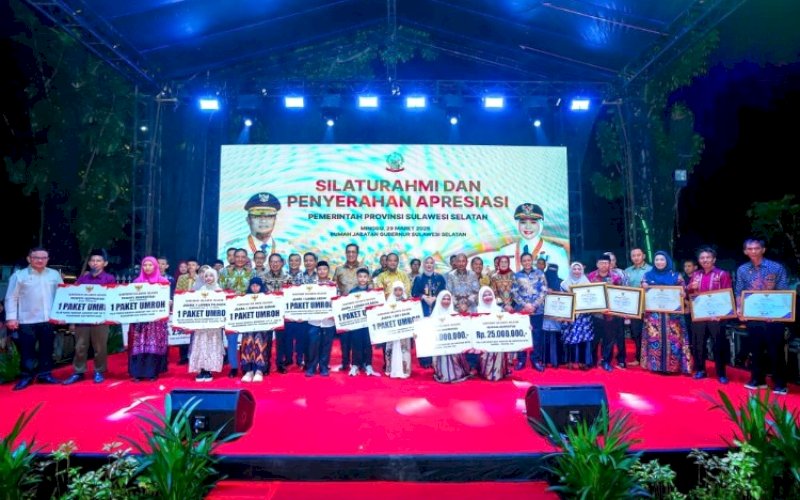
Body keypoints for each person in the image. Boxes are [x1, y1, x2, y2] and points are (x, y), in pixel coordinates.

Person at [735, 238, 790, 394]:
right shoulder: (742, 270)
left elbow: (783, 291)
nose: (753, 251)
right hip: (753, 315)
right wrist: (740, 309)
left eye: (756, 248)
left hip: (774, 316)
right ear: (745, 251)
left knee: (775, 349)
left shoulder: (776, 267)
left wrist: (777, 313)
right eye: (749, 249)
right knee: (755, 348)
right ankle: (757, 379)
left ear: (763, 250)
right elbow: (739, 291)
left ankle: (780, 383)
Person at [5, 247, 64, 390]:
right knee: (27, 350)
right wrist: (11, 318)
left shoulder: (54, 274)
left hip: (48, 319)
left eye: (43, 258)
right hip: (26, 319)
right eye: (36, 257)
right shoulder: (19, 276)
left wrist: (61, 315)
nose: (40, 260)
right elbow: (11, 297)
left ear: (48, 260)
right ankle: (26, 376)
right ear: (29, 259)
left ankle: (45, 375)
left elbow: (62, 295)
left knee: (46, 349)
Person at [63, 249, 116, 385]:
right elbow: (74, 299)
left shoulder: (109, 279)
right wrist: (72, 321)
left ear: (105, 263)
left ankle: (99, 371)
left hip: (101, 319)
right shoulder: (82, 279)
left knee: (100, 347)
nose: (95, 263)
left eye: (98, 261)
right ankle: (78, 372)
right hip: (83, 320)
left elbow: (114, 298)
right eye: (92, 261)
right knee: (80, 346)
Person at [686, 246, 733, 384]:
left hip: (716, 316)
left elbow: (727, 295)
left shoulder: (722, 274)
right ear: (699, 260)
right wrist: (689, 288)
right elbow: (689, 295)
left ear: (714, 259)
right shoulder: (696, 275)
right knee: (698, 344)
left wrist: (722, 314)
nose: (705, 260)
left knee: (718, 344)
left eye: (708, 257)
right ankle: (701, 369)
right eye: (702, 258)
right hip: (699, 315)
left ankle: (721, 373)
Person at [640, 251, 692, 375]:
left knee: (674, 340)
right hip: (654, 316)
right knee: (654, 338)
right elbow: (642, 293)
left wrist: (683, 294)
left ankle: (673, 367)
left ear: (667, 261)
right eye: (657, 260)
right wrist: (643, 287)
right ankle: (655, 366)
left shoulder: (676, 276)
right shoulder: (647, 276)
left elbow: (683, 291)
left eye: (662, 259)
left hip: (673, 317)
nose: (659, 262)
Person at [128, 256, 171, 381]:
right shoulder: (136, 282)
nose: (147, 267)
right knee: (139, 346)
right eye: (145, 265)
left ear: (155, 266)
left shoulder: (162, 281)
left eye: (150, 265)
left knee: (153, 345)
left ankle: (152, 373)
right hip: (139, 321)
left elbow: (166, 299)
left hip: (156, 322)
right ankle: (137, 373)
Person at [498, 203, 569, 274]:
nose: (528, 227)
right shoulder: (505, 251)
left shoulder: (556, 252)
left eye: (533, 222)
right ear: (517, 224)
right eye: (523, 222)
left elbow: (563, 282)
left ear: (541, 224)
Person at [219, 248, 255, 377]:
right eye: (237, 256)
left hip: (247, 310)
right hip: (230, 311)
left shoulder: (252, 272)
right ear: (233, 258)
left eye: (242, 257)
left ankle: (246, 365)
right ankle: (233, 367)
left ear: (246, 259)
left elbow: (256, 290)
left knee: (248, 339)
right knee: (232, 339)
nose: (240, 259)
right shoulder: (224, 272)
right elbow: (220, 290)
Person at [588, 254, 625, 371]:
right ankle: (592, 360)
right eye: (601, 263)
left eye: (606, 263)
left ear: (610, 264)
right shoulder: (590, 276)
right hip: (595, 314)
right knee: (594, 339)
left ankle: (606, 361)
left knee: (608, 340)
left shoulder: (616, 277)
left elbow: (621, 294)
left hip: (610, 315)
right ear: (597, 264)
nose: (603, 265)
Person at [511, 252, 548, 371]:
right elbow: (514, 293)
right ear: (521, 262)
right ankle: (521, 360)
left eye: (529, 260)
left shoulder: (540, 274)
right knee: (522, 334)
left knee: (536, 335)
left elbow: (544, 290)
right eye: (524, 261)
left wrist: (534, 305)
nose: (527, 262)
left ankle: (535, 360)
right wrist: (525, 305)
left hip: (537, 310)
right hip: (522, 310)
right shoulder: (516, 276)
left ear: (532, 261)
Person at [334, 244, 366, 373]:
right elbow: (334, 287)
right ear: (345, 253)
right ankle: (345, 362)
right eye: (348, 252)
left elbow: (369, 288)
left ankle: (361, 362)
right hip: (344, 310)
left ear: (357, 253)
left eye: (353, 252)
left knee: (360, 338)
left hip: (360, 310)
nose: (351, 254)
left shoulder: (364, 268)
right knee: (345, 339)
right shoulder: (339, 269)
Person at [411, 256, 447, 369]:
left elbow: (444, 292)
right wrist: (423, 297)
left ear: (434, 265)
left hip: (437, 308)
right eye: (427, 263)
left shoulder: (440, 278)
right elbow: (414, 293)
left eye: (431, 263)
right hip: (423, 308)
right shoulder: (418, 278)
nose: (429, 265)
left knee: (436, 333)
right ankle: (425, 360)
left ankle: (436, 358)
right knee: (424, 334)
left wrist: (436, 297)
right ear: (423, 265)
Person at [220, 192, 282, 259]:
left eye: (269, 216)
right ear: (248, 220)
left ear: (275, 220)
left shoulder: (286, 248)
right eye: (256, 216)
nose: (263, 221)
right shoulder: (235, 247)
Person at [426, 290, 470, 383]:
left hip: (453, 345)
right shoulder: (434, 315)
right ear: (439, 300)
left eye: (448, 299)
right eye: (444, 299)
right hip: (440, 346)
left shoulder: (455, 314)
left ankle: (457, 373)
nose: (446, 301)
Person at [189, 268, 225, 382]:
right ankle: (201, 369)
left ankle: (209, 370)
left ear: (215, 277)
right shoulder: (200, 291)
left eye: (211, 276)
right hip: (202, 325)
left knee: (211, 345)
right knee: (201, 345)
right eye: (206, 276)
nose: (208, 278)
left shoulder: (219, 291)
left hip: (214, 327)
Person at [561, 262, 595, 369]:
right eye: (574, 269)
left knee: (584, 339)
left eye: (579, 269)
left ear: (582, 270)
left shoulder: (587, 283)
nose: (576, 271)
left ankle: (583, 362)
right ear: (570, 270)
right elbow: (562, 300)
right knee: (570, 337)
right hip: (570, 316)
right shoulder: (564, 284)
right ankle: (570, 361)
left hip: (584, 317)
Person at [262, 253, 292, 372]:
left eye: (277, 261)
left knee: (281, 341)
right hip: (268, 313)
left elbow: (290, 295)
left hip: (282, 313)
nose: (274, 264)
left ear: (281, 263)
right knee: (267, 340)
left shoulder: (287, 277)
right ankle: (266, 364)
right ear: (269, 263)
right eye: (272, 262)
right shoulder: (263, 277)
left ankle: (280, 364)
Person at [306, 261, 336, 377]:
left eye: (324, 269)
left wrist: (335, 314)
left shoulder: (333, 286)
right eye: (319, 269)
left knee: (326, 345)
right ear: (316, 271)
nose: (322, 271)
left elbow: (337, 302)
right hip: (313, 321)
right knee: (313, 344)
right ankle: (311, 367)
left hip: (329, 321)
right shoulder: (311, 286)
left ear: (328, 271)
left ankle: (323, 366)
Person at [347, 268, 379, 376]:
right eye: (360, 276)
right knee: (356, 343)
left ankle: (368, 364)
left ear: (368, 278)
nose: (362, 279)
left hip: (368, 324)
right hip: (356, 324)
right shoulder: (352, 292)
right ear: (357, 277)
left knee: (367, 344)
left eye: (365, 277)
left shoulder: (372, 293)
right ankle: (355, 364)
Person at [623, 247, 652, 366]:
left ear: (643, 256)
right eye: (633, 255)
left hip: (649, 307)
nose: (636, 257)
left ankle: (651, 359)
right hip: (634, 308)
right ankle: (639, 358)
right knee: (636, 333)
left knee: (650, 333)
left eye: (638, 255)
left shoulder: (651, 270)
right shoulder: (627, 271)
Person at [476, 286, 511, 381]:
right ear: (480, 297)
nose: (487, 297)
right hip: (483, 341)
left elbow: (510, 324)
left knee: (499, 350)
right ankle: (486, 372)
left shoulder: (499, 310)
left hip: (498, 341)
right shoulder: (477, 310)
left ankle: (499, 372)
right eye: (484, 295)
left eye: (489, 294)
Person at [240, 277, 271, 382]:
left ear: (261, 286)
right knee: (247, 346)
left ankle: (259, 370)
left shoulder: (266, 297)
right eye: (252, 285)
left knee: (260, 346)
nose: (255, 287)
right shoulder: (244, 298)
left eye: (257, 285)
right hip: (248, 327)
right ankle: (248, 370)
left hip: (261, 328)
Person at [384, 281, 413, 378]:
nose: (398, 292)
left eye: (400, 290)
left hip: (404, 331)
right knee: (391, 349)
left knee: (404, 350)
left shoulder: (407, 302)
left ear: (403, 291)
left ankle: (405, 371)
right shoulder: (389, 302)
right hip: (392, 330)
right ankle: (391, 369)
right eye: (395, 290)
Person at [175, 258, 200, 365]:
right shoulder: (181, 277)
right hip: (184, 307)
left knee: (195, 333)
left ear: (197, 267)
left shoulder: (201, 278)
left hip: (196, 308)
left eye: (193, 265)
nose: (190, 267)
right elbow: (177, 291)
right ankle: (184, 356)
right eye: (189, 265)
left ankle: (195, 355)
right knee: (184, 332)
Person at [542, 263, 563, 367]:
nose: (552, 273)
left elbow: (566, 298)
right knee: (544, 337)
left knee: (556, 337)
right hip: (544, 315)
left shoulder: (561, 282)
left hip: (557, 316)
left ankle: (556, 361)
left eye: (554, 270)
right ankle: (544, 360)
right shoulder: (542, 281)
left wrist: (556, 293)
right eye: (550, 271)